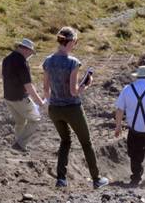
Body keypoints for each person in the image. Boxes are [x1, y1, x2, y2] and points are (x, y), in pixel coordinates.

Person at [42, 27, 109, 189]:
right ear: (71, 41)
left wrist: (53, 102)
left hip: (55, 109)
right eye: (76, 42)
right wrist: (86, 84)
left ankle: (61, 179)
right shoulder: (72, 62)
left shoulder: (47, 61)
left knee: (65, 141)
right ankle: (96, 179)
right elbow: (74, 92)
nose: (76, 45)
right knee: (86, 142)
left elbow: (45, 89)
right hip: (72, 108)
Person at [2, 38, 45, 151]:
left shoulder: (6, 59)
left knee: (20, 121)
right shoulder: (22, 62)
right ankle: (20, 145)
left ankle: (19, 144)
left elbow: (4, 78)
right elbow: (28, 86)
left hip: (8, 97)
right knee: (36, 120)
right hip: (20, 98)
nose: (30, 55)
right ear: (26, 50)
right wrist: (40, 102)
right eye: (31, 52)